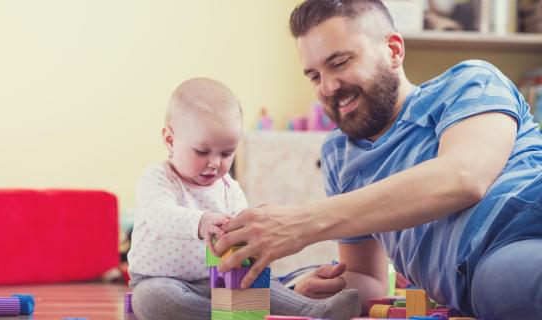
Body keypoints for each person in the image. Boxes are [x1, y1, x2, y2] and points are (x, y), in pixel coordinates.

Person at [213, 1, 542, 319]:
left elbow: (463, 177)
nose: (328, 87)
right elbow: (367, 279)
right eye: (314, 76)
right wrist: (313, 288)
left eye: (340, 62)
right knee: (500, 283)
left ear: (394, 51)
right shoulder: (339, 156)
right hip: (486, 271)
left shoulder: (467, 82)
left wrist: (303, 222)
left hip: (529, 215)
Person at [127, 77, 360, 320]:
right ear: (170, 140)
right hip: (162, 280)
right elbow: (159, 214)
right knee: (152, 301)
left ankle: (315, 311)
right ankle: (226, 316)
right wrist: (202, 222)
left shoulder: (229, 187)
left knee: (262, 284)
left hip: (220, 280)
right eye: (202, 151)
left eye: (227, 153)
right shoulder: (158, 177)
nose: (215, 163)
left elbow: (245, 234)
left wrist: (250, 244)